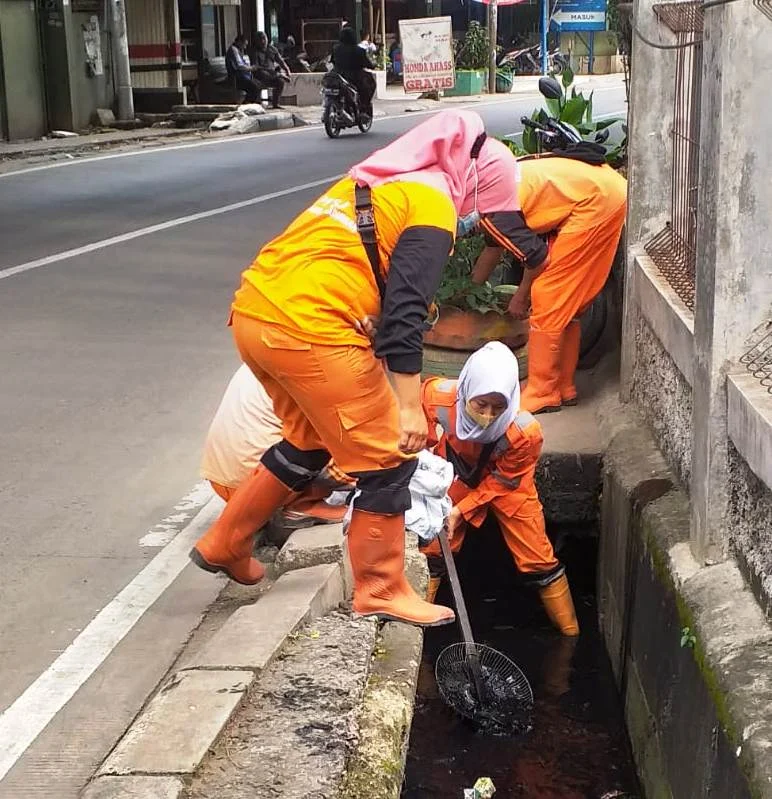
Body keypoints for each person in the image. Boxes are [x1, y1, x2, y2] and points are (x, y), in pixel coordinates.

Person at [189, 109, 548, 628]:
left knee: (308, 442)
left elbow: (359, 271)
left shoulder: (381, 185)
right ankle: (380, 588)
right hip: (311, 326)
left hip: (255, 314)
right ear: (474, 185)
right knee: (390, 457)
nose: (476, 220)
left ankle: (226, 540)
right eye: (483, 207)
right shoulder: (433, 206)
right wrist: (407, 409)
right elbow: (404, 315)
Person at [419, 341, 580, 636]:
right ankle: (416, 626)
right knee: (433, 547)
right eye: (481, 405)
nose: (489, 415)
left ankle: (570, 636)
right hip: (455, 476)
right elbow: (420, 436)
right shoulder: (436, 397)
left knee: (537, 558)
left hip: (507, 485)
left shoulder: (525, 433)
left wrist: (461, 511)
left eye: (499, 407)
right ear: (466, 391)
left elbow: (506, 480)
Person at [472, 156, 627, 413]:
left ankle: (542, 391)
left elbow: (537, 259)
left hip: (595, 202)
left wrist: (521, 297)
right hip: (604, 189)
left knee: (548, 297)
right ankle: (564, 387)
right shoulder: (490, 191)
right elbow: (492, 251)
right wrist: (468, 293)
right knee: (570, 305)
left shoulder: (493, 214)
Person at [200, 363, 352, 526]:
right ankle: (301, 504)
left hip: (228, 482)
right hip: (266, 487)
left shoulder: (280, 346)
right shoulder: (333, 364)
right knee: (371, 452)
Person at [332, 26, 375, 117]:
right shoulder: (359, 50)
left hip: (337, 75)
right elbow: (367, 63)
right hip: (354, 76)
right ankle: (363, 108)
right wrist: (372, 65)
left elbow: (332, 61)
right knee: (369, 85)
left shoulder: (336, 48)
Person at [248, 31, 289, 109]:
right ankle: (279, 75)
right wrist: (278, 74)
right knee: (264, 74)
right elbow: (257, 67)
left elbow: (281, 61)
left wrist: (287, 69)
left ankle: (275, 103)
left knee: (280, 82)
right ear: (257, 41)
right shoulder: (254, 51)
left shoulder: (272, 49)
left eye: (264, 38)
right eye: (260, 39)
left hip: (272, 75)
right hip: (260, 75)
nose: (263, 41)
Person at [225, 34, 263, 104]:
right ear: (239, 42)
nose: (245, 47)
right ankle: (246, 104)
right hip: (237, 78)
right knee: (254, 87)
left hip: (243, 76)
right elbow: (239, 66)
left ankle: (254, 103)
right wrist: (251, 68)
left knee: (259, 84)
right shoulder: (233, 50)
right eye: (244, 44)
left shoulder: (238, 50)